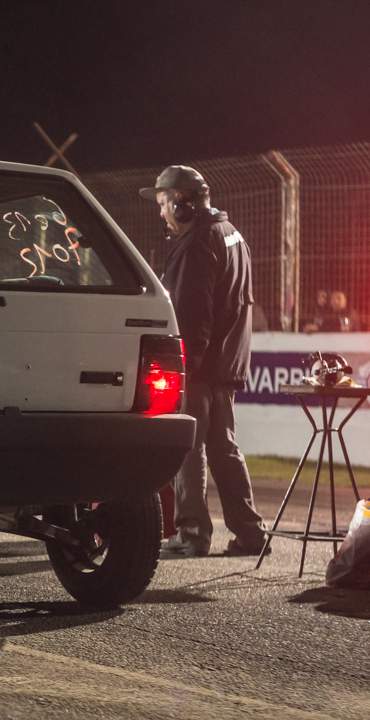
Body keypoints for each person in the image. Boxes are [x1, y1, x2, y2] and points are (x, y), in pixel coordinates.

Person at [141, 165, 268, 557]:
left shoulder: (197, 242)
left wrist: (183, 368)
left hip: (200, 365)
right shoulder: (231, 234)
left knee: (188, 447)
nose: (161, 213)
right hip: (227, 365)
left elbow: (193, 314)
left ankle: (192, 534)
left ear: (183, 203)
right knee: (223, 448)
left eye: (164, 203)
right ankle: (250, 533)